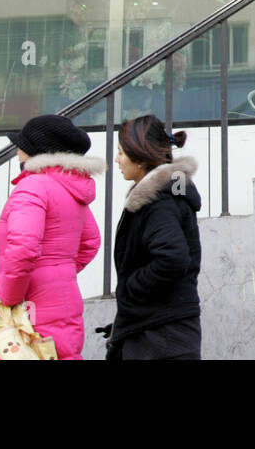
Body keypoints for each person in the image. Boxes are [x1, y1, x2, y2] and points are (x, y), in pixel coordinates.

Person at [0, 114, 105, 361]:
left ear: (35, 151)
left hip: (31, 305)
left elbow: (22, 248)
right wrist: (59, 271)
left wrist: (9, 298)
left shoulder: (32, 186)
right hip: (64, 298)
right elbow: (91, 242)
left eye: (21, 145)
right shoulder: (70, 187)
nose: (17, 151)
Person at [103, 114, 202, 360]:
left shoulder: (160, 203)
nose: (117, 160)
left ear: (139, 156)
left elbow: (173, 258)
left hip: (159, 335)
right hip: (163, 330)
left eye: (121, 153)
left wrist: (131, 288)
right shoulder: (168, 195)